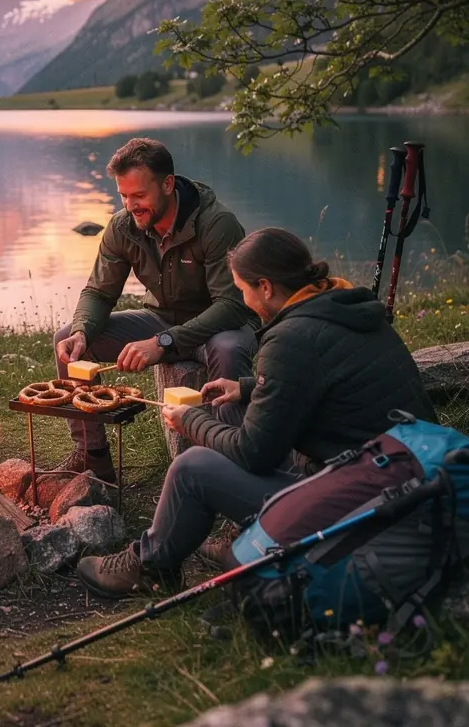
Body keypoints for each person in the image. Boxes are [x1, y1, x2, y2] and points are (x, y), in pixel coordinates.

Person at [76, 227, 438, 599]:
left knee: (191, 469)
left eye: (243, 289)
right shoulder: (342, 306)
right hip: (401, 470)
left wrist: (190, 421)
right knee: (231, 405)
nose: (244, 301)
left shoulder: (292, 337)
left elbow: (254, 451)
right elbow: (325, 383)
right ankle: (247, 531)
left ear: (265, 286)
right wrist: (247, 387)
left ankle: (151, 566)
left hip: (363, 501)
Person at [53, 137, 258, 480]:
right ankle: (94, 457)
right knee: (67, 342)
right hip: (159, 319)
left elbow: (232, 305)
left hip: (216, 327)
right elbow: (99, 293)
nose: (131, 206)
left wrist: (162, 342)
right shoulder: (122, 227)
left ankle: (230, 465)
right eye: (124, 196)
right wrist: (81, 330)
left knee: (230, 348)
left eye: (139, 195)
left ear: (167, 184)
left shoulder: (216, 224)